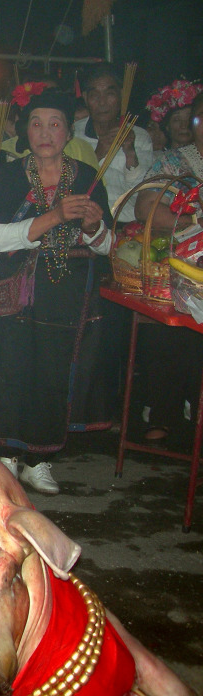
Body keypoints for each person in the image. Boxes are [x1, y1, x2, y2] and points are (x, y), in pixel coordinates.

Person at [0, 90, 113, 494]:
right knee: (12, 366)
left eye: (54, 123)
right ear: (25, 130)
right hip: (21, 285)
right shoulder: (9, 174)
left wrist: (92, 227)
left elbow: (108, 244)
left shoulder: (88, 175)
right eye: (36, 123)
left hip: (70, 290)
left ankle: (39, 459)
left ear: (68, 131)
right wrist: (55, 215)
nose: (45, 132)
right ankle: (5, 455)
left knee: (55, 371)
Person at [131, 93, 203, 441]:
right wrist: (194, 217)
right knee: (167, 331)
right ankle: (164, 411)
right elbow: (145, 207)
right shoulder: (177, 161)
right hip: (179, 270)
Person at [73, 63, 153, 223]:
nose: (102, 103)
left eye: (109, 94)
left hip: (127, 223)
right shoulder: (74, 134)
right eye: (95, 95)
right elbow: (68, 185)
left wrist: (130, 153)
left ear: (122, 95)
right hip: (85, 223)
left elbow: (144, 192)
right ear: (85, 98)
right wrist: (98, 153)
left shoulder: (140, 136)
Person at [145, 79, 202, 153]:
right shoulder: (159, 161)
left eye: (188, 119)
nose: (183, 125)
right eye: (177, 119)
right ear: (167, 126)